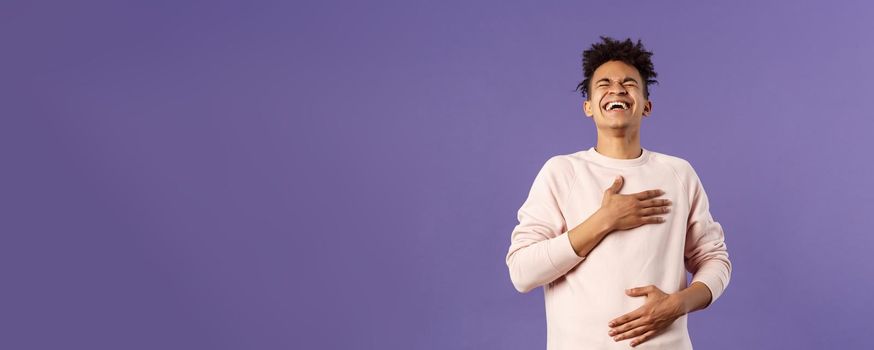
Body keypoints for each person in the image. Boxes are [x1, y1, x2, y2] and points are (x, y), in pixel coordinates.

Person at [505, 36, 732, 349]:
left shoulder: (678, 174)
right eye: (604, 84)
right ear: (588, 107)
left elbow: (715, 259)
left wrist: (677, 304)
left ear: (646, 106)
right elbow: (522, 271)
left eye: (629, 83)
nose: (617, 89)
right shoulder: (563, 172)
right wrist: (604, 220)